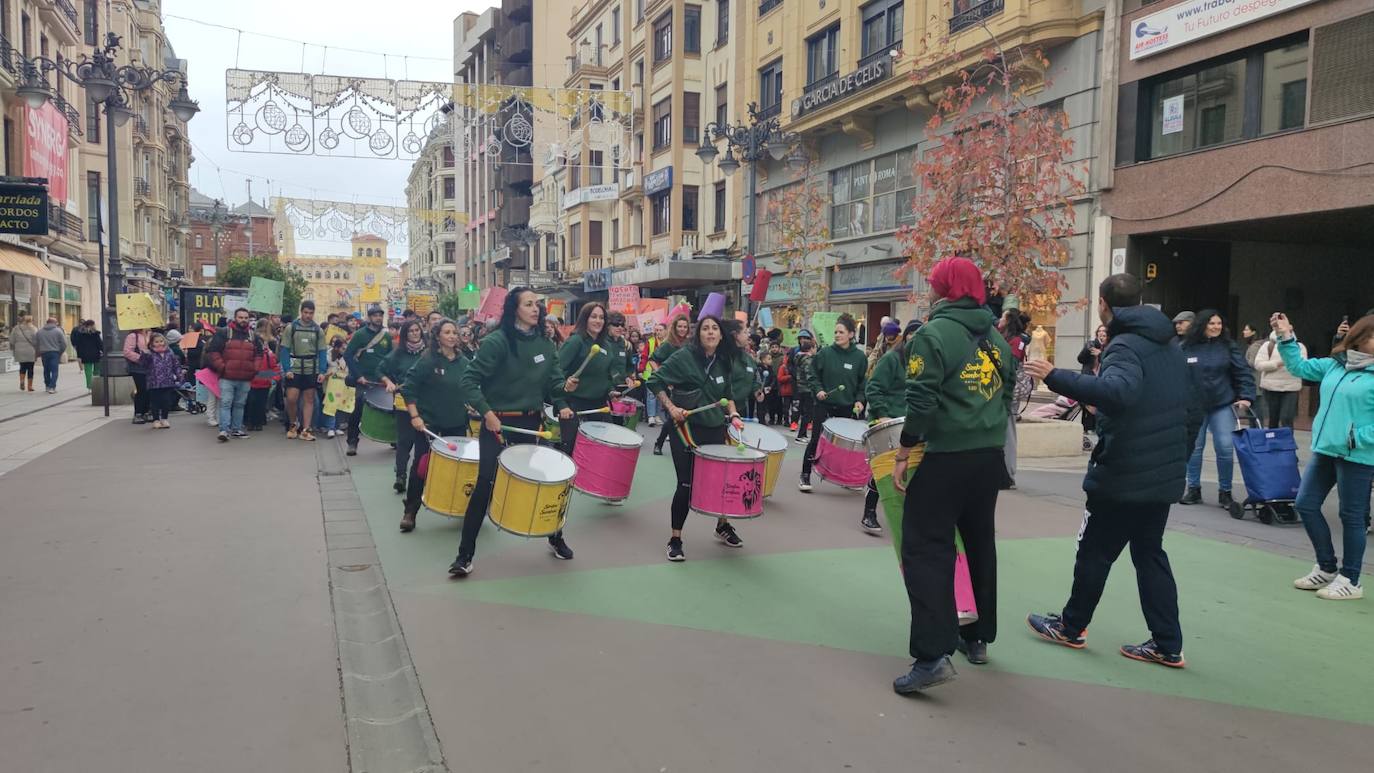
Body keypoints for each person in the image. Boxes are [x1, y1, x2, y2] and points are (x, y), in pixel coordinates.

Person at [1023, 273, 1189, 669]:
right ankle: (1168, 643)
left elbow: (1118, 392)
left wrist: (1055, 375)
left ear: (1103, 304)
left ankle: (1071, 626)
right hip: (1162, 467)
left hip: (1125, 469)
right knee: (1150, 553)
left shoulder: (1125, 346)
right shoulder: (1169, 344)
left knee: (1095, 551)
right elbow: (1184, 402)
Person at [889, 257, 1014, 693]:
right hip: (989, 457)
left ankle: (930, 655)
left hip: (946, 456)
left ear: (944, 288)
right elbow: (1009, 392)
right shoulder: (996, 337)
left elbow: (921, 402)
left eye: (933, 283)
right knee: (980, 542)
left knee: (925, 548)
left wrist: (904, 453)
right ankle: (976, 636)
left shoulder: (932, 335)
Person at [449, 288, 572, 577]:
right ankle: (464, 555)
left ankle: (555, 536)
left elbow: (554, 384)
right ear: (514, 309)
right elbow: (468, 381)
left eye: (537, 304)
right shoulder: (497, 342)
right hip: (497, 425)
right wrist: (487, 413)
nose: (535, 309)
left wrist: (564, 403)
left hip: (531, 425)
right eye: (528, 304)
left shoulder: (545, 343)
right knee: (484, 486)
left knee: (545, 482)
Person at [1273, 312, 1374, 600]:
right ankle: (1328, 567)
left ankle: (1351, 579)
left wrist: (1358, 438)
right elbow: (1298, 366)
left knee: (1352, 517)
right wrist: (1286, 335)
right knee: (1306, 504)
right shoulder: (1335, 365)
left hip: (1358, 455)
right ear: (1360, 336)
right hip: (1326, 449)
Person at [646, 313, 746, 561]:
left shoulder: (723, 361)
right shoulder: (684, 357)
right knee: (686, 484)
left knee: (719, 482)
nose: (710, 332)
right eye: (705, 329)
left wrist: (733, 414)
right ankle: (675, 539)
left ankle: (722, 525)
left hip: (714, 429)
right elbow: (655, 381)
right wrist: (671, 409)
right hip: (685, 429)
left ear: (721, 335)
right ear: (697, 334)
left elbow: (728, 394)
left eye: (715, 328)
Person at [399, 319, 473, 532]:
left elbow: (469, 387)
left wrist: (473, 405)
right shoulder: (428, 360)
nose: (452, 336)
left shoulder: (463, 362)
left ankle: (461, 508)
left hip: (457, 425)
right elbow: (409, 389)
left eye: (454, 332)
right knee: (421, 468)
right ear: (437, 336)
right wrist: (415, 416)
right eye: (447, 332)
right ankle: (410, 511)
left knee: (459, 469)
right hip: (430, 425)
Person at [1178, 310, 1255, 508]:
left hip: (1222, 403)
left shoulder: (1228, 346)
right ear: (1202, 325)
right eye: (1211, 323)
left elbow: (1242, 371)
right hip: (1194, 406)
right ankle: (1193, 489)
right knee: (1194, 448)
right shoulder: (1185, 347)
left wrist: (1246, 396)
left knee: (1225, 447)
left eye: (1219, 323)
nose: (1216, 327)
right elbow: (1174, 375)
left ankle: (1225, 492)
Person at [862, 320, 923, 535]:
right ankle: (869, 512)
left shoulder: (925, 362)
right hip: (887, 422)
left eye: (920, 335)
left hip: (913, 424)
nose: (915, 339)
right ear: (905, 336)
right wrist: (883, 414)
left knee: (915, 472)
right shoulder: (891, 360)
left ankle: (909, 516)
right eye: (911, 335)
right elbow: (874, 388)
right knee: (885, 470)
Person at [799, 314, 867, 492]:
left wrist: (860, 400)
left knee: (844, 447)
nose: (837, 335)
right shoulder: (825, 353)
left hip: (846, 406)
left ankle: (844, 478)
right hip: (824, 404)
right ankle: (805, 475)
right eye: (835, 332)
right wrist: (819, 390)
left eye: (841, 332)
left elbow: (863, 384)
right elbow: (813, 375)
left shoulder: (860, 357)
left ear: (851, 334)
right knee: (815, 440)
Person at [558, 303, 623, 454]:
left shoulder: (606, 345)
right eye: (593, 316)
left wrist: (610, 390)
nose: (598, 321)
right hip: (574, 405)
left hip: (600, 405)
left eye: (601, 317)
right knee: (574, 452)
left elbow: (605, 374)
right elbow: (556, 373)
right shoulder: (575, 341)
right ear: (585, 319)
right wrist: (561, 404)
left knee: (601, 452)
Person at [382, 318, 428, 496]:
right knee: (404, 441)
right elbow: (381, 369)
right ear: (405, 334)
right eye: (411, 331)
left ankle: (421, 478)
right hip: (403, 402)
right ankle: (400, 476)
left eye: (417, 330)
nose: (415, 333)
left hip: (425, 402)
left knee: (423, 442)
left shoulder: (430, 351)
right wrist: (388, 382)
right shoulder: (398, 354)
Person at [205, 308, 262, 443]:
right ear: (235, 318)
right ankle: (224, 430)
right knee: (226, 403)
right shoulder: (224, 333)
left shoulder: (253, 336)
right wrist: (222, 367)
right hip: (227, 377)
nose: (243, 320)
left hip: (245, 377)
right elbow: (213, 351)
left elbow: (259, 354)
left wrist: (255, 368)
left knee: (239, 404)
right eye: (240, 317)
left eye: (246, 318)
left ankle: (236, 429)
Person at [343, 306, 393, 456]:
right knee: (358, 410)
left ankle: (393, 438)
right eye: (375, 315)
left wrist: (390, 378)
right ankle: (352, 442)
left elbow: (391, 358)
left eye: (380, 315)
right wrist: (358, 376)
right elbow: (348, 356)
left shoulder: (386, 336)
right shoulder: (359, 335)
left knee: (391, 409)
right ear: (369, 317)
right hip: (364, 380)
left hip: (382, 380)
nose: (378, 318)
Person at [281, 301, 327, 441]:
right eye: (306, 312)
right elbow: (285, 350)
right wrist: (287, 369)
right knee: (291, 398)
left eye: (311, 313)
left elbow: (322, 352)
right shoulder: (291, 328)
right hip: (294, 368)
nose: (308, 315)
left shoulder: (318, 330)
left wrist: (322, 371)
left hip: (311, 368)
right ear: (301, 312)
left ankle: (306, 430)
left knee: (309, 400)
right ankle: (293, 424)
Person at [651, 314, 692, 455]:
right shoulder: (668, 345)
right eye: (679, 326)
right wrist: (662, 377)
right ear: (674, 327)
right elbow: (652, 360)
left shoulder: (690, 344)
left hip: (686, 386)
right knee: (672, 417)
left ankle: (687, 444)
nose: (682, 329)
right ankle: (659, 443)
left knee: (684, 416)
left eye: (685, 327)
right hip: (670, 387)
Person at [1253, 330, 1305, 429]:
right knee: (1273, 419)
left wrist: (1290, 362)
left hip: (1291, 388)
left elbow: (1303, 366)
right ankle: (1273, 443)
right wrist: (1278, 363)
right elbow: (1258, 364)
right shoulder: (1268, 345)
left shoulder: (1299, 347)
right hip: (1270, 388)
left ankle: (1287, 443)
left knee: (1287, 418)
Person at [138, 333, 184, 429]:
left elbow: (175, 365)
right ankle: (156, 419)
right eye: (156, 342)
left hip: (167, 381)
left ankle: (164, 418)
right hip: (154, 382)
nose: (159, 343)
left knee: (166, 401)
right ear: (152, 343)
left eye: (161, 341)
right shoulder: (150, 354)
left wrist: (180, 376)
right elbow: (143, 364)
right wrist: (144, 355)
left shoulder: (169, 352)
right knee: (155, 402)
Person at [244, 320, 280, 432]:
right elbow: (274, 364)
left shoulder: (252, 344)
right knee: (260, 400)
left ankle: (252, 421)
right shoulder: (271, 346)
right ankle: (258, 422)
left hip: (255, 375)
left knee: (253, 400)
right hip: (264, 375)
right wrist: (274, 378)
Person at [1077, 325, 1109, 436]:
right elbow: (1080, 359)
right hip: (1089, 377)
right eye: (1099, 332)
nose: (1101, 334)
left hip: (1102, 379)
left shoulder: (1110, 348)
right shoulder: (1091, 344)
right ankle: (1087, 429)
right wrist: (1087, 349)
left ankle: (1096, 428)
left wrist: (1101, 354)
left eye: (1104, 332)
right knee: (1087, 402)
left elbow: (1111, 362)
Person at [787, 331, 818, 443]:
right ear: (811, 349)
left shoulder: (799, 357)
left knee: (805, 412)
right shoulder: (807, 360)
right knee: (807, 413)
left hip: (801, 387)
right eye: (815, 348)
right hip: (807, 388)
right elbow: (810, 375)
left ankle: (803, 434)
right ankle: (801, 435)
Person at [320, 337, 350, 438]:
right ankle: (330, 427)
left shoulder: (346, 357)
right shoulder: (327, 356)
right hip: (330, 385)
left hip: (342, 385)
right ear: (336, 348)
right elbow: (323, 370)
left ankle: (337, 426)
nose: (345, 350)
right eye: (343, 348)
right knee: (330, 405)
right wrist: (327, 374)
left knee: (340, 406)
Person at [641, 322, 669, 427]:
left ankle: (657, 415)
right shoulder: (650, 342)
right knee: (651, 395)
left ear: (666, 331)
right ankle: (651, 416)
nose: (658, 332)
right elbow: (644, 356)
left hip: (663, 373)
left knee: (660, 395)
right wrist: (641, 369)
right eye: (656, 330)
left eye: (660, 330)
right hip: (650, 372)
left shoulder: (668, 342)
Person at [123, 328, 153, 424]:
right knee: (141, 389)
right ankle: (138, 413)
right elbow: (127, 352)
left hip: (150, 366)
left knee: (149, 389)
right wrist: (140, 358)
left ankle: (147, 411)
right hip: (138, 367)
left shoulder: (150, 335)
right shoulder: (132, 336)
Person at [34, 317, 68, 394]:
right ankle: (52, 387)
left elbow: (36, 344)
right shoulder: (58, 331)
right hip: (54, 353)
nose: (57, 324)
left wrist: (38, 352)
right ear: (54, 323)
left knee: (46, 370)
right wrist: (60, 352)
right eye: (56, 322)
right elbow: (64, 343)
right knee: (54, 370)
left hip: (44, 353)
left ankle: (47, 386)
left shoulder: (40, 332)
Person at [71, 320, 102, 389]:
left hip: (85, 354)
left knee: (88, 371)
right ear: (92, 325)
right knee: (97, 370)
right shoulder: (96, 334)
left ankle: (89, 386)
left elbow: (78, 345)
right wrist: (103, 351)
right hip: (95, 354)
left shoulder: (80, 334)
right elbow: (100, 344)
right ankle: (96, 385)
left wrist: (79, 355)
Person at [11, 315, 37, 393]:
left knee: (22, 366)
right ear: (31, 321)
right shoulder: (34, 329)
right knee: (30, 368)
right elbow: (36, 341)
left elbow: (11, 340)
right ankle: (30, 386)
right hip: (30, 350)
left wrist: (17, 345)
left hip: (20, 350)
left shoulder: (16, 328)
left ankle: (22, 381)